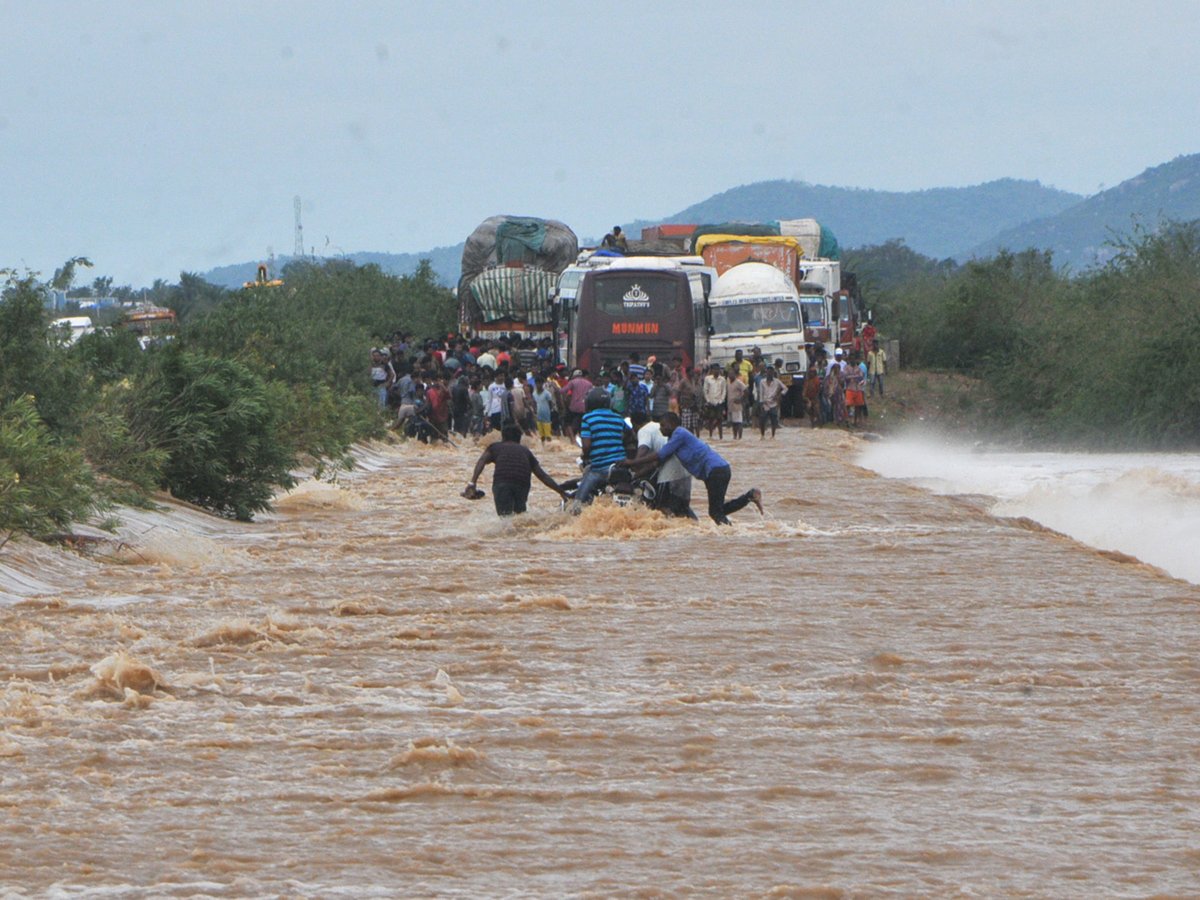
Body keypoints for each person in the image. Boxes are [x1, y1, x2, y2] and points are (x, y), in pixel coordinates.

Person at [621, 412, 761, 526]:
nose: (660, 429)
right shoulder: (673, 441)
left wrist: (631, 461)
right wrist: (635, 477)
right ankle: (750, 496)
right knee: (717, 510)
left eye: (663, 425)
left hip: (716, 471)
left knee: (715, 513)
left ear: (672, 424)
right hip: (716, 471)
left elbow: (658, 455)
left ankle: (731, 535)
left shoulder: (680, 433)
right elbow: (656, 462)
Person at [466, 424, 567, 516]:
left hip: (502, 483)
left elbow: (482, 461)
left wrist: (472, 482)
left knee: (504, 518)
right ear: (519, 439)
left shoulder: (495, 447)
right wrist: (561, 492)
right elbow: (543, 476)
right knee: (519, 517)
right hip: (522, 484)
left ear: (503, 438)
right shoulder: (525, 451)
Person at [629, 410, 696, 519]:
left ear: (634, 424)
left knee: (662, 506)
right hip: (685, 472)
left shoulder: (644, 431)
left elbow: (642, 453)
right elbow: (656, 463)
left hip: (669, 473)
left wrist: (632, 466)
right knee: (683, 508)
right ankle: (695, 528)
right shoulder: (661, 426)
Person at [574, 389, 635, 505]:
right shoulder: (618, 417)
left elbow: (586, 447)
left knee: (578, 503)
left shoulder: (587, 418)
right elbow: (630, 433)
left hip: (600, 469)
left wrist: (585, 455)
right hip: (621, 467)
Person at [758, 367, 786, 438]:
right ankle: (762, 435)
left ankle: (773, 436)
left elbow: (785, 389)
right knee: (762, 421)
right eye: (768, 372)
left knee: (774, 421)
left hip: (774, 404)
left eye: (771, 372)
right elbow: (761, 393)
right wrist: (761, 404)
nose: (769, 374)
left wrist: (779, 395)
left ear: (773, 373)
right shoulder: (762, 382)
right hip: (765, 404)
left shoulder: (777, 381)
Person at [702, 364, 727, 439]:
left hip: (719, 403)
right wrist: (708, 401)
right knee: (711, 419)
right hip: (711, 403)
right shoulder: (708, 379)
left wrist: (721, 401)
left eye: (718, 369)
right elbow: (705, 391)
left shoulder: (722, 379)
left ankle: (721, 437)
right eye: (715, 369)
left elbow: (724, 391)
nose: (716, 371)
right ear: (712, 370)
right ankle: (710, 435)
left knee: (720, 420)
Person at [533, 376, 555, 443]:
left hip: (546, 417)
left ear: (542, 384)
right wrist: (534, 413)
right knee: (541, 436)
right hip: (538, 417)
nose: (539, 385)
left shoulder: (547, 394)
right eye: (537, 383)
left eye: (540, 383)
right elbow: (534, 404)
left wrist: (549, 411)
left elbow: (550, 404)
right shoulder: (534, 394)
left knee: (548, 435)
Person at [727, 371, 747, 440]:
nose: (730, 376)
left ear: (735, 375)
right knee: (734, 423)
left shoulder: (738, 382)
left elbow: (746, 390)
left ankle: (740, 437)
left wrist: (740, 399)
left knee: (739, 423)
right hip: (731, 406)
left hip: (737, 406)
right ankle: (735, 437)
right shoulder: (728, 383)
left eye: (732, 374)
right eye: (729, 375)